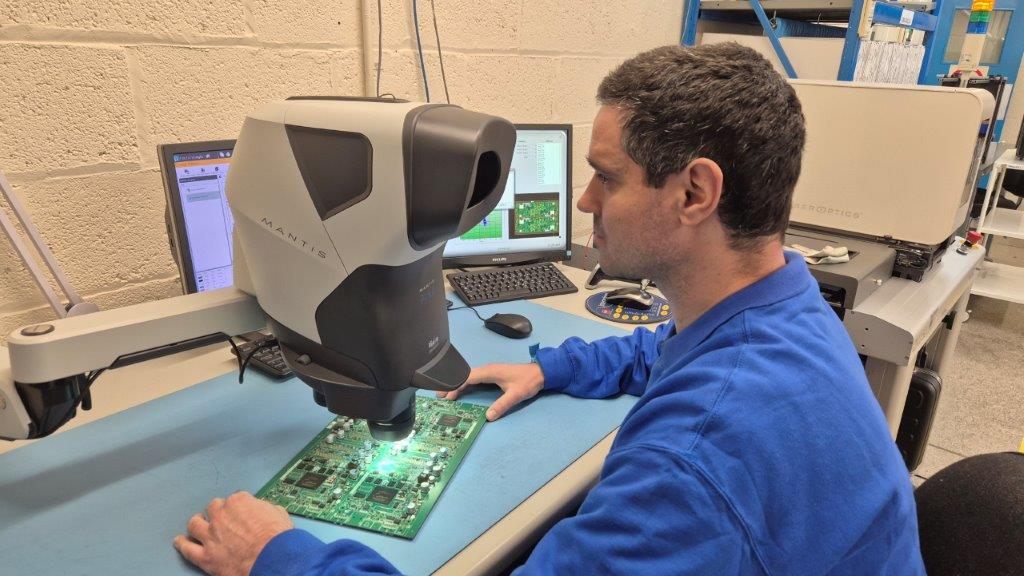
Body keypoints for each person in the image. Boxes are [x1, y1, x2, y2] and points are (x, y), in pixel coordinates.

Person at [174, 42, 924, 575]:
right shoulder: (789, 305)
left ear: (696, 192)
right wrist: (554, 368)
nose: (585, 200)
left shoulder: (691, 461)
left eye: (607, 177)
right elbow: (668, 347)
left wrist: (278, 557)